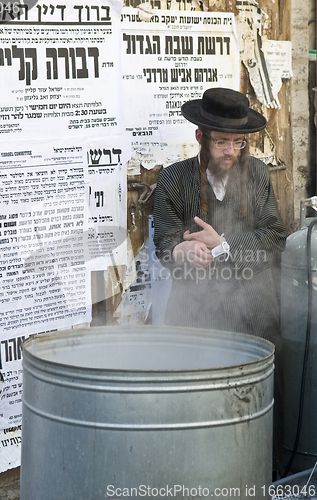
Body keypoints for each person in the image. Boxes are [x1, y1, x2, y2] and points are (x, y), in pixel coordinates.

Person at [153, 87, 287, 475]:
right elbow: (165, 242)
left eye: (238, 142)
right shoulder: (174, 180)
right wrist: (183, 253)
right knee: (196, 413)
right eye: (222, 141)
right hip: (196, 317)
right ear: (200, 137)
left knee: (259, 417)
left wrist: (224, 246)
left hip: (255, 314)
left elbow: (275, 236)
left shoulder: (258, 173)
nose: (231, 151)